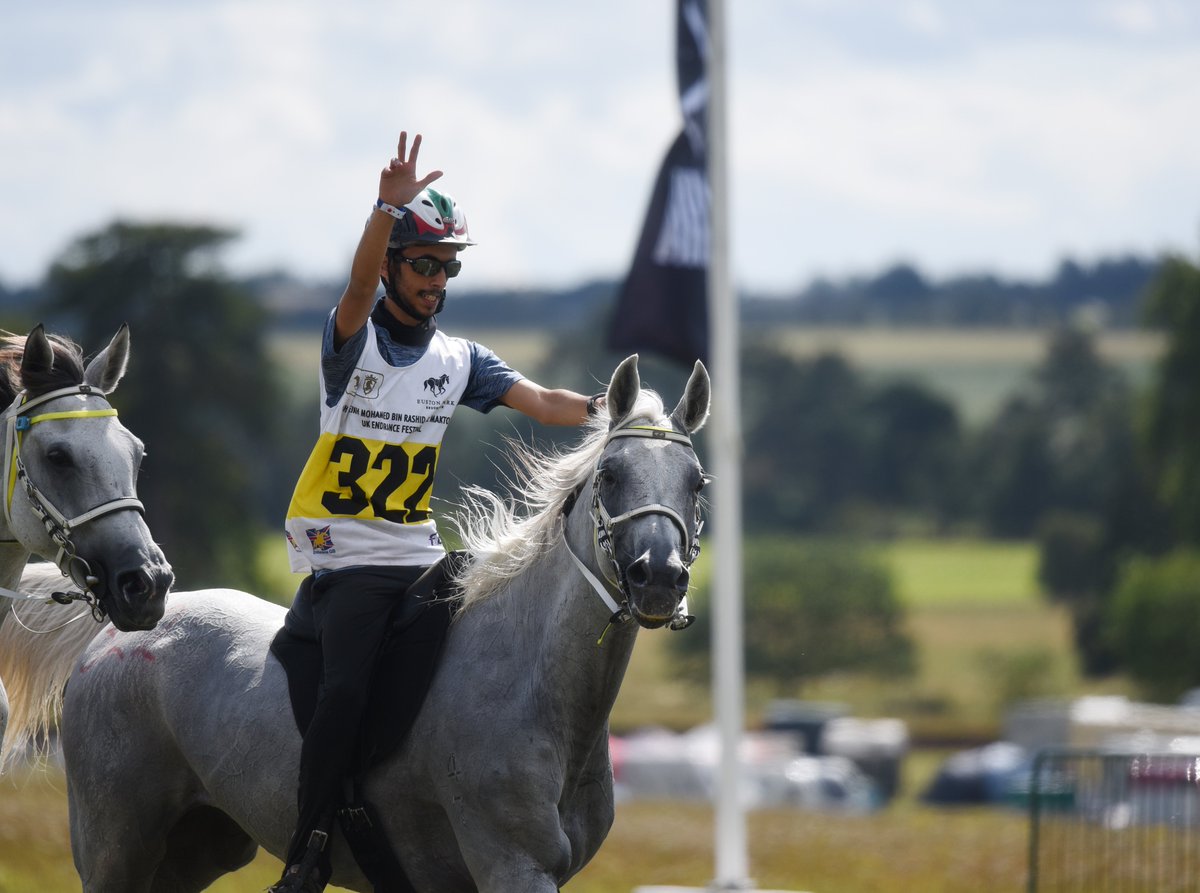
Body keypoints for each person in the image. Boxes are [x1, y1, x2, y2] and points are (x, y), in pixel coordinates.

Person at [273, 131, 603, 893]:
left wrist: (617, 413)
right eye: (425, 264)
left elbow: (546, 403)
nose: (437, 279)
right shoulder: (349, 341)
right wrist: (386, 208)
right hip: (348, 559)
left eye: (448, 267)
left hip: (422, 554)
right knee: (347, 690)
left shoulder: (461, 360)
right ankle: (309, 847)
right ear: (392, 264)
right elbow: (354, 292)